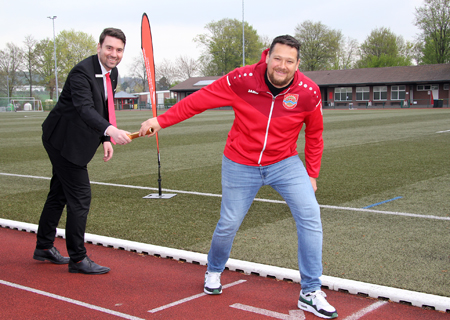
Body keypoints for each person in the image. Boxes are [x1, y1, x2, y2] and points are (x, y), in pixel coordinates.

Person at [139, 35, 338, 319]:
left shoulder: (308, 91)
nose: (282, 66)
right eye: (278, 58)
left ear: (297, 64)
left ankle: (310, 291)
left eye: (289, 61)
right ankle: (214, 270)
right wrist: (161, 121)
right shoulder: (241, 79)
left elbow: (315, 134)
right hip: (240, 161)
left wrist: (312, 174)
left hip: (285, 162)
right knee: (229, 222)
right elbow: (199, 100)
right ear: (267, 55)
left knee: (310, 216)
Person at [33, 28, 132, 275]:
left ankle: (44, 247)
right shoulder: (81, 72)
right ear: (99, 47)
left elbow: (105, 104)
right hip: (62, 140)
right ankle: (78, 259)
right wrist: (111, 130)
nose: (114, 54)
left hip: (79, 137)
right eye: (109, 48)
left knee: (58, 193)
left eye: (119, 50)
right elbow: (85, 108)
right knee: (80, 197)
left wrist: (105, 137)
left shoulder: (113, 72)